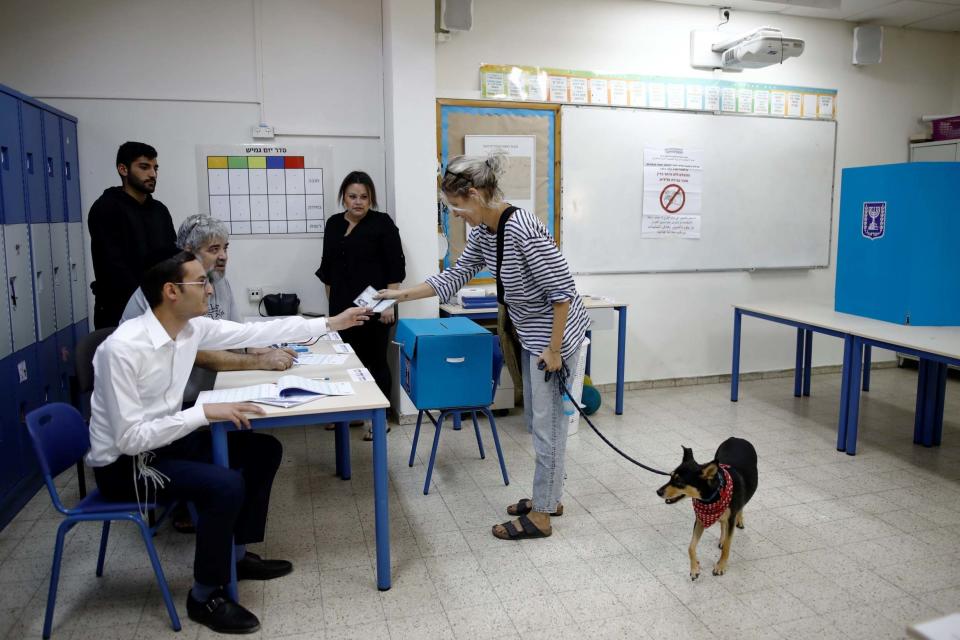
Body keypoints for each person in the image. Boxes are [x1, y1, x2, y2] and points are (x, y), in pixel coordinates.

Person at [87, 251, 371, 633]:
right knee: (224, 485)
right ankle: (205, 595)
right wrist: (204, 413)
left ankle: (236, 556)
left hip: (167, 443)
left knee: (264, 450)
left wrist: (332, 322)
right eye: (199, 282)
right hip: (127, 465)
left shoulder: (188, 329)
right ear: (171, 291)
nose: (209, 288)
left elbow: (255, 332)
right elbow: (130, 438)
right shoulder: (122, 349)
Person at [377, 155, 589, 540]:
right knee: (538, 421)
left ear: (474, 194)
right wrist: (399, 294)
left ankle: (541, 516)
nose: (456, 215)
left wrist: (555, 350)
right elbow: (454, 277)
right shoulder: (484, 234)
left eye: (456, 207)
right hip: (529, 333)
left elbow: (562, 294)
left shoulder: (524, 229)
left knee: (547, 424)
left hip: (556, 337)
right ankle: (550, 497)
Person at [121, 215, 296, 535]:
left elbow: (230, 331)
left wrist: (260, 347)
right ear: (187, 251)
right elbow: (197, 355)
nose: (224, 255)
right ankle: (205, 512)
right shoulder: (165, 290)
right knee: (240, 444)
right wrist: (259, 363)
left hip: (199, 398)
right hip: (163, 419)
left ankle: (238, 545)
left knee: (257, 442)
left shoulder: (216, 280)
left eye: (226, 247)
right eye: (214, 248)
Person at [315, 171, 405, 440]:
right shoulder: (333, 224)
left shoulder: (382, 223)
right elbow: (327, 269)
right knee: (344, 362)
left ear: (371, 199)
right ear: (343, 197)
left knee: (374, 361)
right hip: (341, 308)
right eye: (353, 196)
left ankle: (377, 420)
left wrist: (388, 305)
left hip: (375, 307)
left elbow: (395, 267)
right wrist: (333, 307)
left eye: (364, 197)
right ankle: (349, 414)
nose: (358, 202)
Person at [88, 141, 177, 329]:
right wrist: (147, 301)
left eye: (155, 168)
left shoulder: (160, 211)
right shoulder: (106, 208)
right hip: (118, 310)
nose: (152, 174)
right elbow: (113, 269)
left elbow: (172, 258)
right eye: (144, 167)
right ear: (123, 169)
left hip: (160, 309)